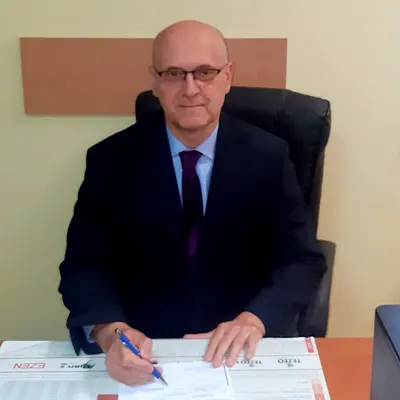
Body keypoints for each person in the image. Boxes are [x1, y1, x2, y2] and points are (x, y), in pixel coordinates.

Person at [58, 20, 327, 386]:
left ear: (227, 77)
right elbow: (83, 265)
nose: (190, 89)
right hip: (144, 353)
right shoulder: (111, 161)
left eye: (204, 72)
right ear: (155, 82)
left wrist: (255, 319)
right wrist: (110, 333)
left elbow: (302, 259)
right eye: (173, 73)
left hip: (239, 350)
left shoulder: (269, 156)